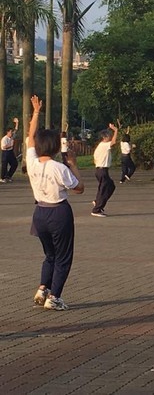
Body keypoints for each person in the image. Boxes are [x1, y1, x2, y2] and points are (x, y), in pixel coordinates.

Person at [27, 95, 85, 311]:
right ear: (53, 147)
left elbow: (31, 137)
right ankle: (55, 297)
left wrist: (35, 113)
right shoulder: (58, 168)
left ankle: (43, 288)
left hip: (40, 213)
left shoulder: (32, 162)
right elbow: (79, 188)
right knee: (63, 257)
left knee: (50, 255)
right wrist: (73, 164)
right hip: (59, 213)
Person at [91, 123, 118, 217]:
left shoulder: (100, 146)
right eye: (109, 136)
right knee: (103, 189)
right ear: (104, 137)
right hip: (102, 170)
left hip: (100, 170)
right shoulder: (104, 145)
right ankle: (96, 210)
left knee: (110, 186)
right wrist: (116, 130)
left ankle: (98, 202)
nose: (110, 137)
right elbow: (114, 142)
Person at [1, 118, 19, 182]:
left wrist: (17, 123)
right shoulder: (4, 139)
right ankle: (2, 178)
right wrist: (11, 145)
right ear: (7, 132)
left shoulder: (12, 137)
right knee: (4, 165)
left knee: (15, 164)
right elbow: (4, 147)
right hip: (5, 153)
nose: (11, 133)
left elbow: (16, 130)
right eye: (10, 132)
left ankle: (8, 176)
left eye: (12, 132)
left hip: (10, 152)